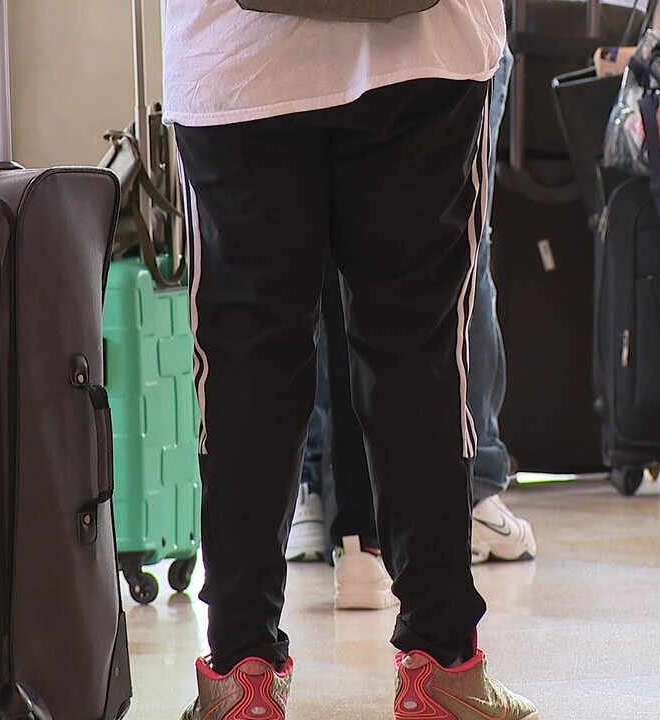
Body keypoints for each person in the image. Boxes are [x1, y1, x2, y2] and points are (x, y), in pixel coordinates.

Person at [164, 2, 539, 718]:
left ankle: (242, 672)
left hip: (237, 62)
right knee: (420, 352)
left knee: (246, 363)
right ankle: (442, 666)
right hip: (425, 54)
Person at [286, 51, 540, 614]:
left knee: (319, 260)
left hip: (287, 52)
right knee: (451, 260)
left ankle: (321, 500)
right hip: (436, 47)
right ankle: (472, 493)